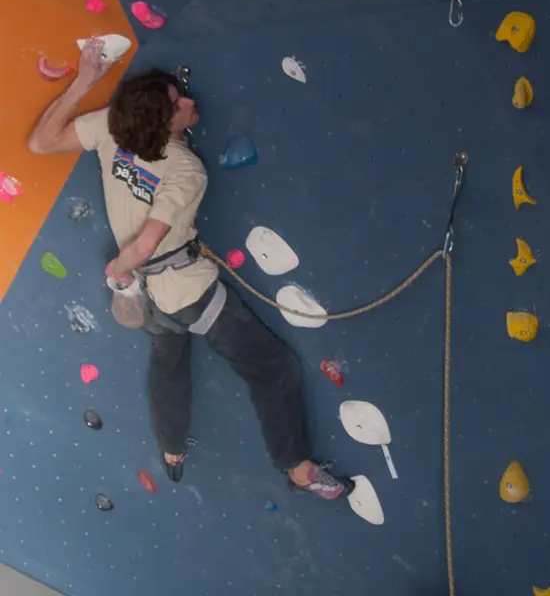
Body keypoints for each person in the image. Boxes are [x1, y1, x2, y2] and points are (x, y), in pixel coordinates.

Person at [28, 38, 353, 499]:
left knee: (168, 358)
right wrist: (120, 266)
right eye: (177, 104)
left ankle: (172, 448)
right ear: (162, 123)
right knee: (273, 366)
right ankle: (298, 468)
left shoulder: (112, 126)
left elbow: (40, 143)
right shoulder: (185, 169)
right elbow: (146, 243)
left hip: (145, 297)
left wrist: (83, 82)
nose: (188, 102)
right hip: (187, 293)